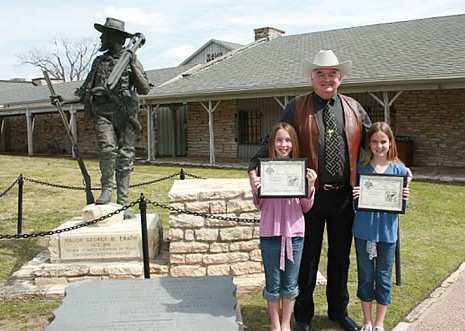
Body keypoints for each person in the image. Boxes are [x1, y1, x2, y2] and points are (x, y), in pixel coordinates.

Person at [249, 49, 372, 331]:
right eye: (320, 74)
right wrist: (254, 170)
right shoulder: (297, 106)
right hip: (308, 196)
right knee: (307, 257)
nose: (326, 79)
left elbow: (375, 141)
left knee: (341, 257)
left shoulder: (354, 108)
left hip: (343, 197)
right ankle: (303, 315)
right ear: (312, 77)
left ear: (340, 78)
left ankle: (338, 311)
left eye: (332, 74)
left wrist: (395, 171)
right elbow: (275, 140)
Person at [76, 17, 150, 219]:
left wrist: (133, 64)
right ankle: (107, 189)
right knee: (107, 149)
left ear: (114, 37)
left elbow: (144, 88)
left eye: (104, 34)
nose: (101, 37)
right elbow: (84, 90)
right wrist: (61, 100)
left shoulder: (130, 60)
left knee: (126, 156)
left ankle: (123, 202)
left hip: (125, 114)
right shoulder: (98, 62)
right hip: (103, 113)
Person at [250, 122, 317, 331]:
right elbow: (259, 204)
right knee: (273, 282)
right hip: (270, 233)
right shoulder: (262, 170)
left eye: (287, 140)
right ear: (273, 143)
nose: (283, 144)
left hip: (295, 234)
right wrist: (257, 188)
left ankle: (287, 324)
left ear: (293, 143)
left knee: (290, 283)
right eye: (279, 140)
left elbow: (305, 207)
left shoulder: (301, 171)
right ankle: (275, 325)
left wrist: (310, 186)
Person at [352, 122, 411, 331]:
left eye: (383, 141)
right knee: (366, 276)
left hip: (387, 233)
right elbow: (353, 205)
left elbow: (400, 205)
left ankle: (379, 323)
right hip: (364, 231)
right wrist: (356, 198)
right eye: (375, 142)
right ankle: (367, 321)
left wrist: (405, 196)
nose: (379, 146)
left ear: (390, 142)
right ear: (369, 143)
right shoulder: (360, 168)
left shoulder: (399, 170)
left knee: (384, 277)